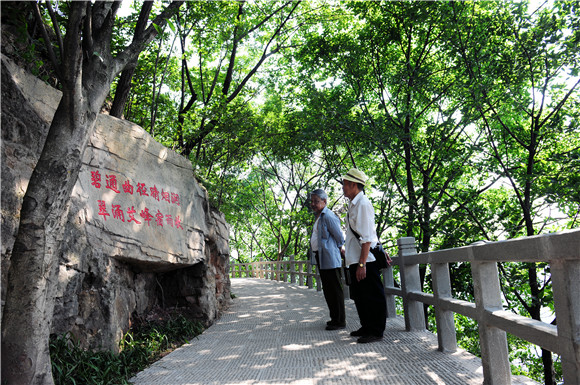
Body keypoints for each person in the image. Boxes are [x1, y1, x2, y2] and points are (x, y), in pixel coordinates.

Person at [340, 168, 386, 343]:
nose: (343, 188)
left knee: (372, 294)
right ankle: (366, 325)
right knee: (361, 295)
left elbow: (367, 237)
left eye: (345, 184)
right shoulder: (354, 204)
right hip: (355, 257)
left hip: (365, 259)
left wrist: (362, 264)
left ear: (353, 184)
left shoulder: (363, 204)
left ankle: (376, 330)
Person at [309, 189, 346, 330]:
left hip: (330, 257)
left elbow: (339, 237)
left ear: (324, 201)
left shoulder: (329, 216)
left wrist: (338, 249)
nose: (313, 204)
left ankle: (340, 321)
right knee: (328, 289)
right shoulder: (319, 217)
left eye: (316, 201)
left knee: (335, 289)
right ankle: (334, 318)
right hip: (321, 257)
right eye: (312, 201)